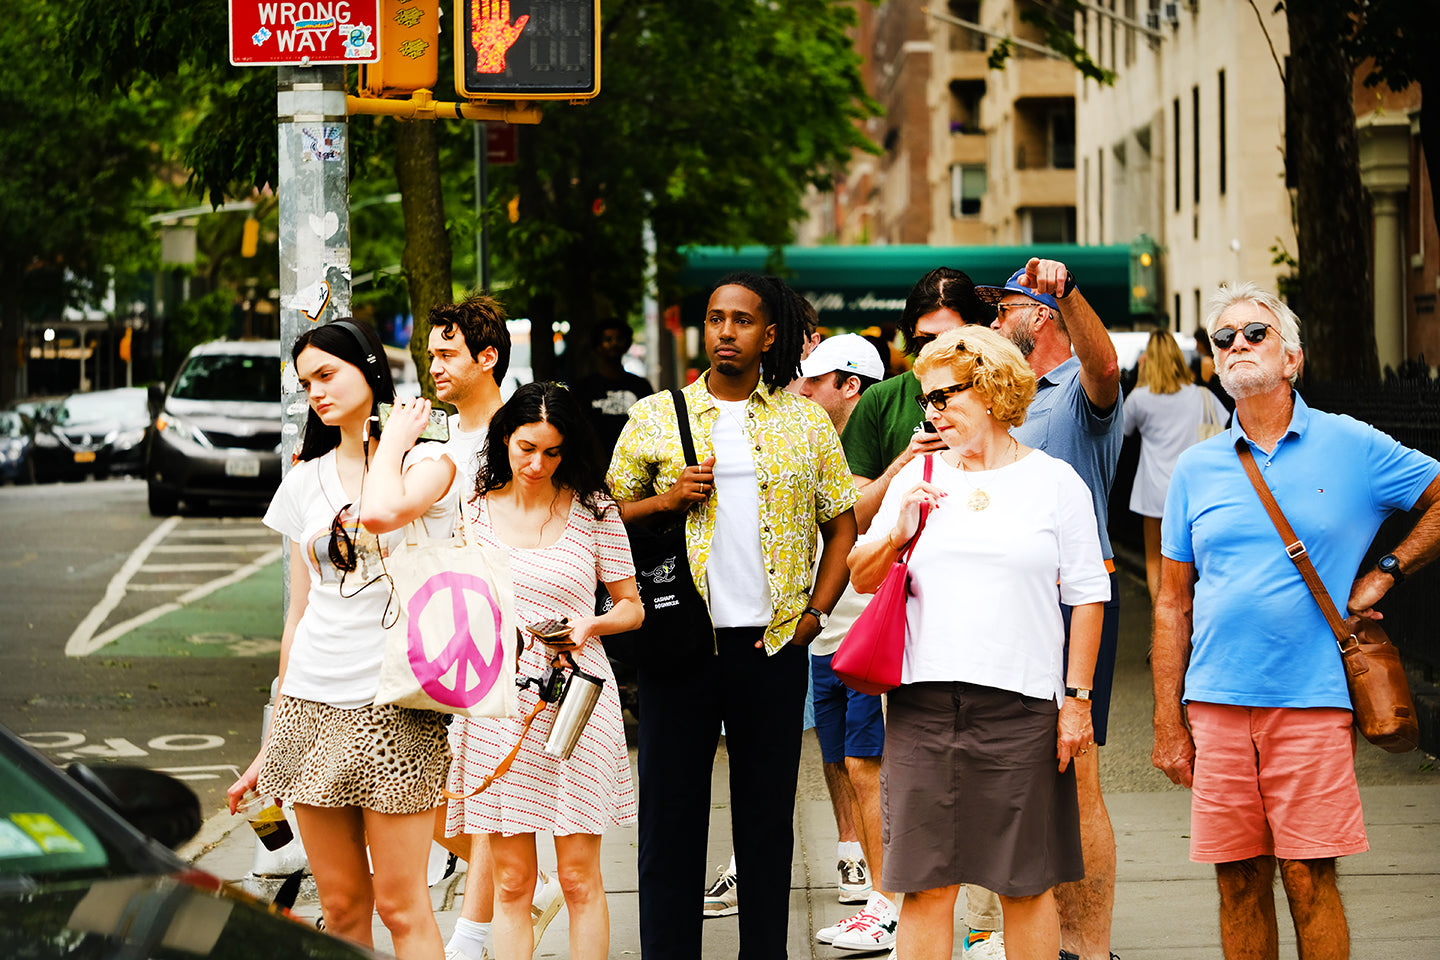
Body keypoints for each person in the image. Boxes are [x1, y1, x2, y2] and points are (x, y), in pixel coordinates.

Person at [1151, 283, 1440, 960]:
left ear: (1293, 359)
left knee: (1310, 877)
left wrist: (1388, 569)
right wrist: (1168, 721)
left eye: (1255, 334)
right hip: (1217, 703)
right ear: (1213, 363)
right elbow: (1171, 602)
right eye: (1224, 338)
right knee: (1237, 882)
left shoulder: (1351, 445)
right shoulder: (1195, 468)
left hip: (1312, 700)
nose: (1238, 346)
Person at [608, 272, 859, 960]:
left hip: (770, 648)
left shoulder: (804, 421)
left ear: (768, 335)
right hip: (680, 649)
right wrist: (663, 502)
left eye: (741, 320)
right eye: (716, 319)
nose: (726, 331)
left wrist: (815, 614)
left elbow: (842, 525)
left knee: (765, 823)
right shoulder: (658, 416)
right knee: (670, 822)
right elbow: (601, 519)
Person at [848, 326, 1109, 960]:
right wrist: (896, 529)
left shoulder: (1055, 483)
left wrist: (1077, 702)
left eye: (945, 396)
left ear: (991, 389)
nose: (932, 411)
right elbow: (859, 573)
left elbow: (1087, 593)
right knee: (927, 887)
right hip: (923, 706)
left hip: (1021, 708)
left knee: (1026, 885)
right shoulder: (921, 475)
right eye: (925, 399)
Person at [228, 319, 458, 960]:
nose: (316, 394)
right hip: (310, 703)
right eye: (306, 384)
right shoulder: (303, 482)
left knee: (403, 906)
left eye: (327, 375)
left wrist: (389, 440)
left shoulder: (429, 462)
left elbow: (383, 512)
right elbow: (297, 614)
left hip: (395, 706)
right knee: (342, 907)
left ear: (370, 370)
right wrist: (272, 743)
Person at [444, 381, 643, 960]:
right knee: (511, 882)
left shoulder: (594, 510)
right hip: (497, 704)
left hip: (578, 702)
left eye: (553, 452)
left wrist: (589, 625)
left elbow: (631, 608)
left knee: (580, 878)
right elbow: (450, 603)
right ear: (504, 438)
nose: (537, 463)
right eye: (526, 447)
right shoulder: (472, 511)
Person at [840, 266, 1004, 958]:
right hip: (911, 631)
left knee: (994, 797)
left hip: (994, 636)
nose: (934, 354)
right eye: (921, 340)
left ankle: (988, 929)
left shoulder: (1004, 399)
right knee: (919, 795)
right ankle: (912, 917)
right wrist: (906, 462)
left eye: (951, 338)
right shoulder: (886, 404)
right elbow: (854, 519)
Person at [979, 258, 1122, 960]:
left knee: (1078, 772)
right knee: (1017, 779)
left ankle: (1088, 950)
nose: (990, 320)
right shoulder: (998, 398)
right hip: (1003, 604)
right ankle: (1036, 940)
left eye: (1002, 308)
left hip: (1073, 604)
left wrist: (1068, 294)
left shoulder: (1072, 393)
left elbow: (1105, 366)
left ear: (1037, 317)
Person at [425, 295, 564, 960]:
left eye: (447, 352)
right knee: (449, 802)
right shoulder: (446, 443)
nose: (435, 366)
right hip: (452, 639)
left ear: (487, 357)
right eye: (430, 354)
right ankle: (514, 909)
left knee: (478, 797)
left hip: (510, 649)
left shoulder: (519, 439)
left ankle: (473, 938)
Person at [791, 334, 900, 950]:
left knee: (869, 769)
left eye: (816, 381)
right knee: (846, 765)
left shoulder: (891, 448)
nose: (802, 391)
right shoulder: (810, 441)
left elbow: (856, 521)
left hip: (867, 638)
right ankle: (878, 901)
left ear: (851, 386)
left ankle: (889, 904)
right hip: (822, 639)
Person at [1123, 330, 1229, 606]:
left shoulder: (1139, 398)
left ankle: (1162, 622)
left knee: (1155, 559)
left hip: (1152, 491)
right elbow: (1224, 422)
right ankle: (1190, 619)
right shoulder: (1198, 395)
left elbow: (1123, 429)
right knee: (1192, 559)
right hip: (1192, 490)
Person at [573, 318, 655, 456]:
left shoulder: (640, 386)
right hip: (593, 464)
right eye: (608, 339)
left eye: (619, 339)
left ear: (627, 344)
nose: (614, 344)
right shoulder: (584, 388)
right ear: (597, 346)